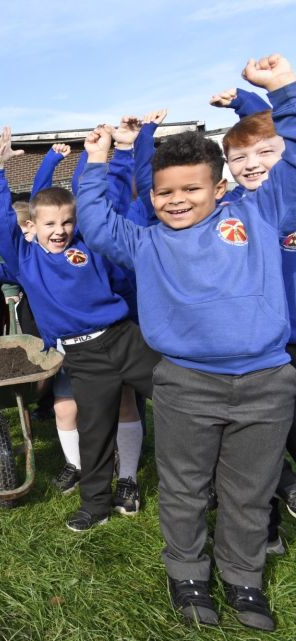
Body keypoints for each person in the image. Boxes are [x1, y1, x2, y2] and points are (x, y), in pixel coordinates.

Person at [76, 53, 296, 632]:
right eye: (164, 192)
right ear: (151, 195)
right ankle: (188, 574)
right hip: (186, 384)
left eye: (190, 189)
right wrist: (96, 162)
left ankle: (244, 578)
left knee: (251, 491)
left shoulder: (260, 214)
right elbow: (94, 223)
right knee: (184, 488)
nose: (176, 200)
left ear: (218, 186)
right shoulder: (146, 244)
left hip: (267, 381)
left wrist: (285, 90)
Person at [0, 126, 157, 533]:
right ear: (33, 225)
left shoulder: (88, 244)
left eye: (66, 222)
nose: (59, 230)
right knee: (95, 431)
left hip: (124, 338)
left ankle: (164, 479)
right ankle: (94, 504)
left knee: (184, 399)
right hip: (83, 356)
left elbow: (109, 200)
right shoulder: (25, 259)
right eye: (49, 224)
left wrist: (119, 153)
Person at [220, 109, 295, 555]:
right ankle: (265, 529)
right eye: (239, 157)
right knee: (257, 446)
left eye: (266, 152)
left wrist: (261, 96)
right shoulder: (233, 213)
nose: (251, 163)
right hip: (262, 350)